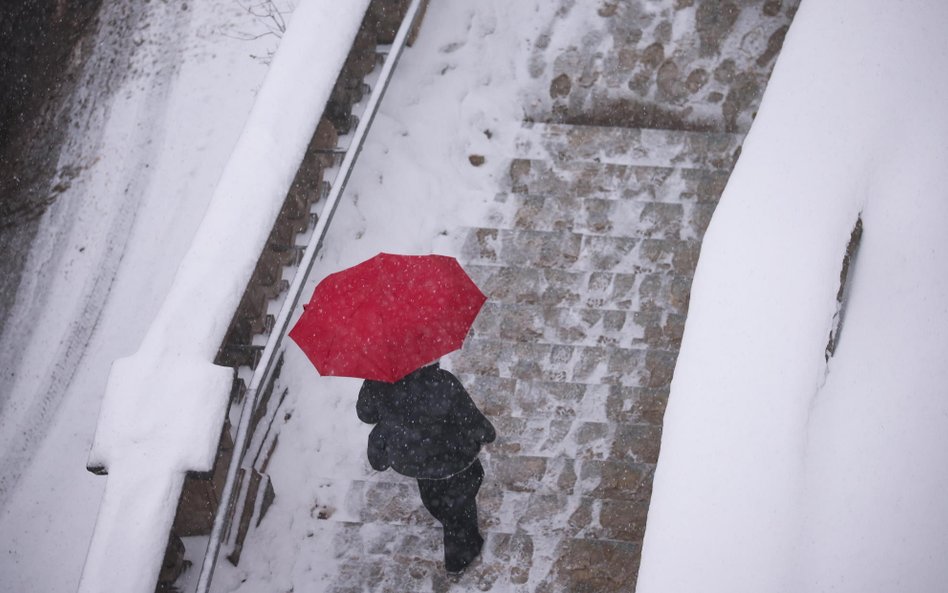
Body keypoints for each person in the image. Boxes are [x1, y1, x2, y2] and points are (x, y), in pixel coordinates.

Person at [356, 360, 496, 574]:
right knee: (463, 498)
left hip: (416, 461)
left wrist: (379, 390)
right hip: (455, 456)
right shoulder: (442, 382)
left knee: (434, 497)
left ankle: (447, 516)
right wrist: (486, 433)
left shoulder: (378, 383)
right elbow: (469, 417)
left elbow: (366, 414)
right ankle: (460, 554)